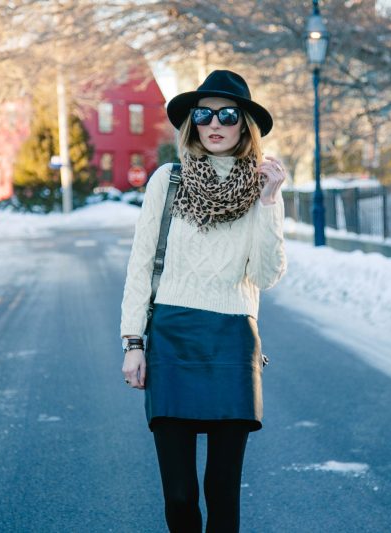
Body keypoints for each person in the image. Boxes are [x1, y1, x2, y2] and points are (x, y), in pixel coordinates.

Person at [120, 69, 288, 533]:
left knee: (222, 490)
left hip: (233, 341)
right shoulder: (167, 181)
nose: (215, 123)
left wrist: (270, 202)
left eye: (228, 114)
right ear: (191, 123)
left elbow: (266, 275)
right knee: (179, 493)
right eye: (204, 114)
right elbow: (140, 265)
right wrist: (134, 342)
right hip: (172, 336)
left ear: (244, 125)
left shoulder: (262, 188)